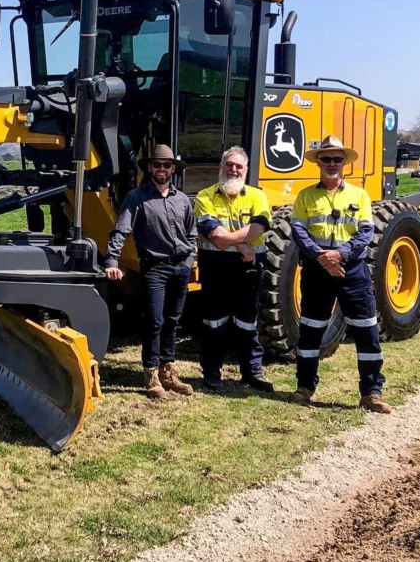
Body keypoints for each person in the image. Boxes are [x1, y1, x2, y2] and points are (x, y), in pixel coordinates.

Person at [288, 135, 391, 413]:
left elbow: (366, 232)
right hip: (316, 271)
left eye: (337, 158)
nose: (331, 163)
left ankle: (372, 392)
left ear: (344, 162)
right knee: (310, 331)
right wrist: (323, 257)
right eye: (326, 158)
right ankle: (304, 387)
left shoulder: (359, 195)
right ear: (318, 162)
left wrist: (339, 255)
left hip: (352, 272)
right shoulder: (305, 196)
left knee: (367, 330)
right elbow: (298, 231)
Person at [104, 145, 197, 400]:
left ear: (173, 169)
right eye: (158, 165)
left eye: (167, 165)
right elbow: (121, 230)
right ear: (150, 168)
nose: (162, 169)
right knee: (154, 321)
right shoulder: (136, 197)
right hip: (155, 268)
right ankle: (151, 374)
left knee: (173, 320)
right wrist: (111, 261)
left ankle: (168, 371)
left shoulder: (182, 199)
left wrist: (190, 259)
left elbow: (191, 232)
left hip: (180, 266)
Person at [194, 146, 274, 394]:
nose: (233, 169)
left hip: (249, 268)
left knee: (248, 321)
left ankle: (252, 373)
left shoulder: (257, 196)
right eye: (229, 164)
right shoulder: (204, 196)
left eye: (238, 166)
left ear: (246, 170)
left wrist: (234, 241)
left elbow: (259, 228)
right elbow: (214, 235)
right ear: (221, 167)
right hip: (215, 266)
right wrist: (242, 245)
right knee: (213, 322)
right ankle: (212, 374)